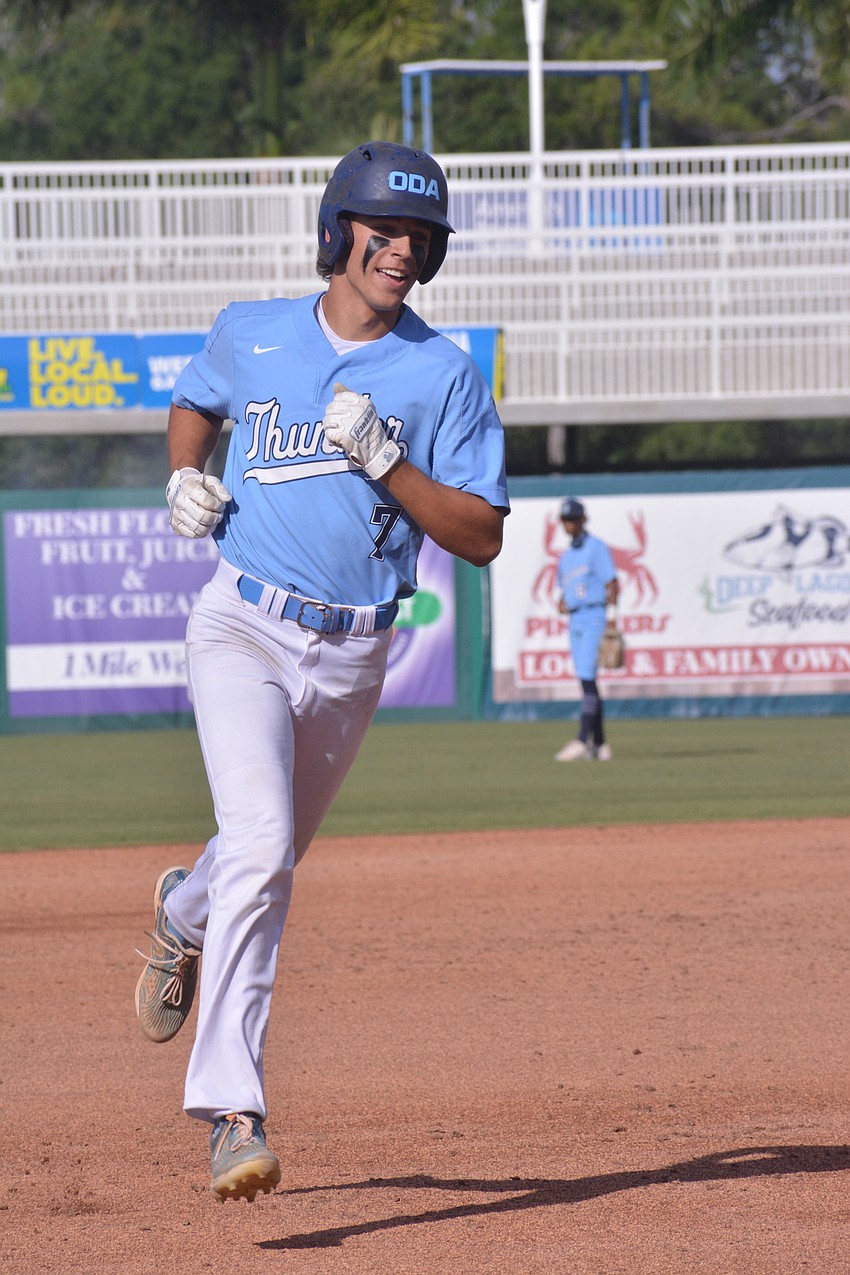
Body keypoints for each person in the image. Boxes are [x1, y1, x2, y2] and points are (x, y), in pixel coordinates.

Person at [133, 141, 509, 1203]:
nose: (400, 251)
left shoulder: (441, 374)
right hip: (241, 623)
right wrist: (182, 477)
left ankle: (183, 914)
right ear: (336, 232)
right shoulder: (250, 331)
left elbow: (478, 536)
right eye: (383, 230)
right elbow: (196, 402)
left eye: (419, 238)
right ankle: (232, 1111)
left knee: (261, 852)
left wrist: (389, 461)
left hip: (353, 649)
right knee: (264, 847)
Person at [553, 498, 619, 762]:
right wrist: (562, 601)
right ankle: (600, 745)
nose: (569, 524)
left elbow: (612, 583)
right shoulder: (567, 556)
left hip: (594, 617)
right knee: (586, 680)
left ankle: (582, 740)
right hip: (576, 620)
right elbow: (565, 590)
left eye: (573, 519)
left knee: (588, 678)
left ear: (582, 520)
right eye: (565, 520)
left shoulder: (596, 548)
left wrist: (612, 620)